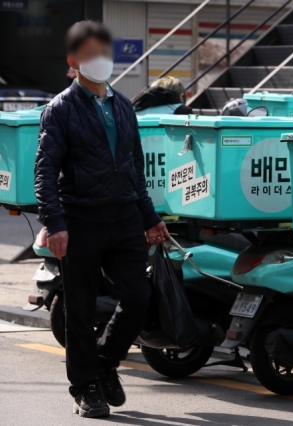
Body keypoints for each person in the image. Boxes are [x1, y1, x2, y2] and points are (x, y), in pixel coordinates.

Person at [34, 20, 170, 418]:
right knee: (79, 308)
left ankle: (107, 364)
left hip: (125, 217)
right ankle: (86, 388)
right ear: (74, 61)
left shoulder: (123, 105)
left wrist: (150, 217)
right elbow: (45, 170)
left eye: (105, 52)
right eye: (91, 54)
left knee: (139, 296)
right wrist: (54, 222)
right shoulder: (59, 109)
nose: (101, 60)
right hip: (80, 220)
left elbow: (134, 169)